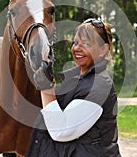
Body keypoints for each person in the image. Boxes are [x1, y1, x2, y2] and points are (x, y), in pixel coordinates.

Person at [26, 18, 121, 157]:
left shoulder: (100, 86)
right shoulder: (76, 80)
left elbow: (61, 131)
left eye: (86, 44)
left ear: (103, 49)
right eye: (76, 42)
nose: (77, 48)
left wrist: (47, 88)